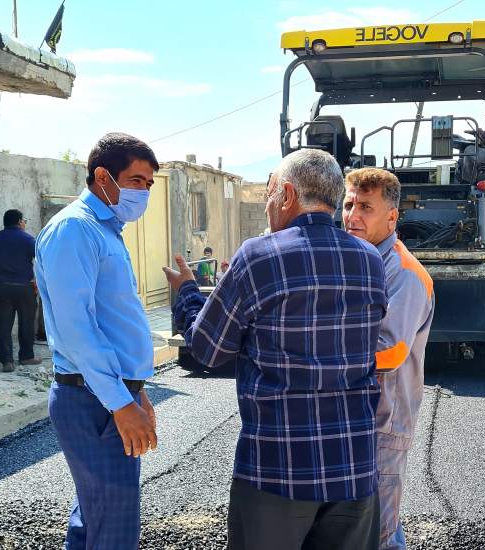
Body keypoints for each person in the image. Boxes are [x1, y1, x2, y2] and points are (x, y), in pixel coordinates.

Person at [164, 148, 387, 550]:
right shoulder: (370, 260)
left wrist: (185, 294)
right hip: (354, 466)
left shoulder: (259, 256)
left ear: (285, 194)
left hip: (277, 467)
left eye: (268, 193)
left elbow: (208, 350)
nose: (268, 205)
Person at [35, 133, 160, 549]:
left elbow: (114, 321)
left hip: (106, 395)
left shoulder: (106, 230)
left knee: (94, 516)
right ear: (102, 176)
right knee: (114, 527)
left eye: (148, 183)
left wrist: (135, 391)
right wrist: (120, 402)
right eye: (136, 180)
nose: (143, 191)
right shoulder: (75, 229)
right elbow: (77, 329)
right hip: (93, 400)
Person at [342, 168, 434, 550]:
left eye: (366, 206)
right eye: (348, 204)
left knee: (379, 531)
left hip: (385, 423)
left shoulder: (405, 273)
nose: (352, 215)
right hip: (360, 416)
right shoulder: (357, 260)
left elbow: (391, 350)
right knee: (360, 525)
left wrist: (321, 351)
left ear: (392, 217)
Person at [0, 209, 40, 372]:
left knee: (2, 326)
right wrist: (37, 281)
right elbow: (41, 260)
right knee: (27, 323)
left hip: (0, 288)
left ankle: (7, 361)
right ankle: (26, 357)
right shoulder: (28, 239)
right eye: (24, 220)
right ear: (20, 221)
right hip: (24, 288)